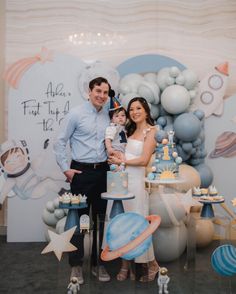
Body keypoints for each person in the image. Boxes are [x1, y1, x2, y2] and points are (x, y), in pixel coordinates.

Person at [54, 77, 111, 284]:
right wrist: (65, 169)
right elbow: (60, 142)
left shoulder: (108, 115)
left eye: (105, 92)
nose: (101, 96)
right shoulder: (76, 114)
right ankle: (76, 266)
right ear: (89, 91)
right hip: (81, 173)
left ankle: (97, 263)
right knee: (79, 221)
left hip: (102, 172)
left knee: (99, 219)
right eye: (98, 91)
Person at [109, 97, 159, 282]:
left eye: (139, 108)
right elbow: (124, 153)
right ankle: (125, 265)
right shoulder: (127, 130)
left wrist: (122, 160)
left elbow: (144, 160)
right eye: (131, 109)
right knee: (122, 224)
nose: (135, 112)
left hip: (137, 184)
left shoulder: (152, 132)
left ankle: (152, 264)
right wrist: (116, 156)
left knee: (138, 226)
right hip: (121, 183)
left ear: (146, 111)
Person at [105, 95, 127, 164]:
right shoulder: (113, 127)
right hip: (114, 150)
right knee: (117, 166)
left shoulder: (123, 127)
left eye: (123, 115)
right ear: (112, 119)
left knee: (122, 164)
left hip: (121, 151)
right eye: (117, 116)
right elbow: (108, 138)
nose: (120, 118)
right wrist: (109, 148)